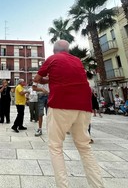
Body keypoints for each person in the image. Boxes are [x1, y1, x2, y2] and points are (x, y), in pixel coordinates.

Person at [33, 40, 104, 188]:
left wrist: (44, 78)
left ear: (54, 50)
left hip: (61, 104)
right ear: (68, 50)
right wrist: (51, 78)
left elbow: (37, 79)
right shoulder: (77, 60)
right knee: (84, 147)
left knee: (56, 147)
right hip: (84, 106)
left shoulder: (52, 58)